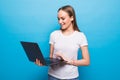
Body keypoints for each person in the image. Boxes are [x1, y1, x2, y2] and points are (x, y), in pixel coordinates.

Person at [35, 5, 90, 80]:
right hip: (53, 76)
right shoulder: (54, 34)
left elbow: (86, 61)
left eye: (63, 18)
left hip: (71, 77)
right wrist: (44, 63)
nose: (60, 22)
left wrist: (68, 61)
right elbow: (51, 58)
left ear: (72, 18)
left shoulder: (80, 36)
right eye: (58, 19)